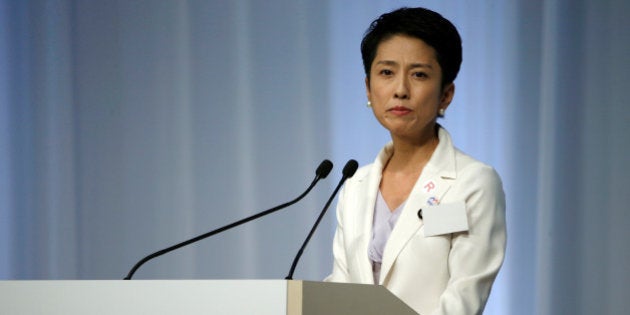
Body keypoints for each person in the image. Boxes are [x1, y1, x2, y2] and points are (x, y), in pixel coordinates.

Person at [324, 7, 507, 315]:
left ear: (446, 94)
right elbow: (341, 289)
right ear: (369, 88)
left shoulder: (474, 182)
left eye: (419, 74)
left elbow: (463, 298)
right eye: (386, 72)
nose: (400, 90)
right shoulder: (355, 185)